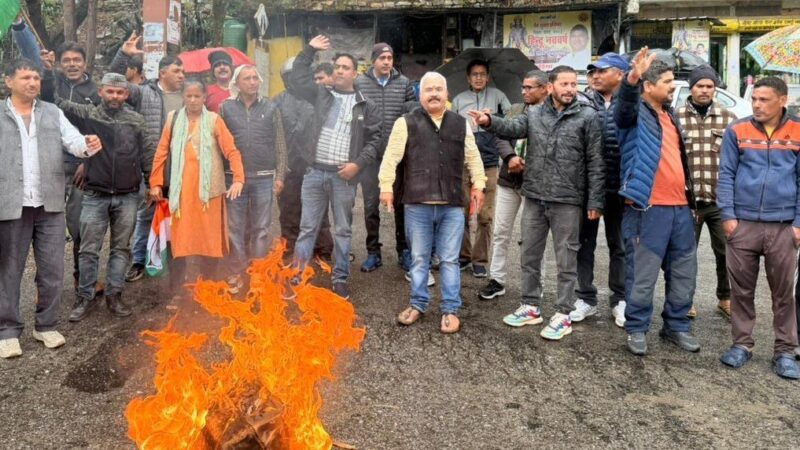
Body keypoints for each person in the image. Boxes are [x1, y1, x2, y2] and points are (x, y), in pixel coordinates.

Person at [471, 65, 604, 341]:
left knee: (566, 259)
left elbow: (596, 162)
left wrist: (595, 201)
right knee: (530, 255)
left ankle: (564, 312)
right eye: (564, 84)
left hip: (568, 199)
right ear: (552, 87)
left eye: (573, 84)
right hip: (534, 195)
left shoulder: (588, 116)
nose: (569, 89)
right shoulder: (533, 114)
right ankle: (531, 306)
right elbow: (512, 127)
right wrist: (489, 122)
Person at [0, 59, 102, 359]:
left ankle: (45, 325)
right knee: (9, 269)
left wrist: (88, 144)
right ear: (9, 81)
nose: (33, 83)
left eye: (36, 78)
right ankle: (7, 330)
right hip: (10, 203)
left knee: (52, 269)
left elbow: (73, 142)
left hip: (50, 203)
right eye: (25, 77)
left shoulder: (52, 112)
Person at [379, 72, 487, 334]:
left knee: (450, 260)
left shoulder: (460, 124)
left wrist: (479, 185)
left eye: (439, 89)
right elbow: (391, 158)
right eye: (429, 90)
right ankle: (417, 304)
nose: (435, 94)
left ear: (447, 94)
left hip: (451, 204)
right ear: (420, 95)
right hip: (417, 204)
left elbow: (473, 157)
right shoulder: (405, 123)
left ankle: (450, 309)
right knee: (418, 259)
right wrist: (386, 187)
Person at [614, 48, 699, 356]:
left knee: (684, 272)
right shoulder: (633, 114)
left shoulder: (670, 115)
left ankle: (676, 326)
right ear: (648, 86)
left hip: (679, 209)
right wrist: (632, 77)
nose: (673, 85)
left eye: (672, 79)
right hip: (647, 209)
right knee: (642, 274)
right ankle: (636, 329)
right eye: (666, 81)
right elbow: (622, 108)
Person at [717, 77, 800, 380]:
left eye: (764, 100)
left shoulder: (797, 130)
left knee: (783, 294)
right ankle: (742, 344)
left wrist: (798, 225)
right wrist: (729, 217)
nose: (757, 105)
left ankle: (785, 351)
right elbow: (725, 174)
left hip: (783, 227)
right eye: (754, 99)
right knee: (741, 290)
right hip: (743, 225)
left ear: (782, 100)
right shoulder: (737, 130)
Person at [287, 35, 381, 300]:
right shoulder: (321, 95)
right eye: (337, 67)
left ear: (355, 72)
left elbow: (375, 140)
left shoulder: (366, 105)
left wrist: (357, 165)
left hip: (344, 177)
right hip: (315, 172)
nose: (340, 70)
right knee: (308, 228)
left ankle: (340, 279)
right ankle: (299, 275)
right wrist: (309, 51)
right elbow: (298, 77)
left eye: (345, 67)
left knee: (342, 230)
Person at [53, 73, 149, 321]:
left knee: (121, 249)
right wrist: (49, 71)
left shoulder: (137, 120)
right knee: (88, 249)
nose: (115, 96)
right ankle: (84, 297)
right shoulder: (88, 115)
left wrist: (151, 184)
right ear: (101, 92)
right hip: (94, 193)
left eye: (120, 92)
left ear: (126, 94)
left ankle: (114, 296)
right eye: (110, 91)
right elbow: (58, 102)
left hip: (128, 196)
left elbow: (147, 154)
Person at [16, 29, 101, 295]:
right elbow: (47, 93)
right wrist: (20, 29)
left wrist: (87, 163)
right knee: (44, 226)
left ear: (85, 63)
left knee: (78, 225)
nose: (72, 64)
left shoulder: (95, 91)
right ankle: (44, 283)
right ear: (60, 63)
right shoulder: (50, 83)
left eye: (77, 59)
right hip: (48, 167)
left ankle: (80, 277)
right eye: (67, 60)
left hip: (80, 168)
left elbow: (99, 128)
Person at [148, 80, 245, 298]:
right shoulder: (173, 120)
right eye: (189, 96)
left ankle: (207, 290)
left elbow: (232, 151)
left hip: (208, 195)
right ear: (183, 97)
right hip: (180, 195)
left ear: (204, 98)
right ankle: (177, 292)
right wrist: (155, 183)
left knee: (208, 242)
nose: (192, 100)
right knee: (178, 243)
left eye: (197, 96)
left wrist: (238, 179)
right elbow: (161, 153)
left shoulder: (214, 120)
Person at [111, 33, 185, 283]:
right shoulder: (145, 93)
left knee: (177, 215)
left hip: (181, 168)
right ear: (162, 72)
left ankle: (175, 262)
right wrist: (123, 56)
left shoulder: (188, 98)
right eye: (177, 71)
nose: (181, 75)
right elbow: (114, 83)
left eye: (182, 72)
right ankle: (139, 262)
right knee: (145, 215)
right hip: (150, 166)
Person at [479, 70, 548, 300]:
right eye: (523, 87)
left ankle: (536, 284)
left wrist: (529, 164)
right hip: (509, 179)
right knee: (501, 232)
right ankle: (497, 279)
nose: (524, 91)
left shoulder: (552, 114)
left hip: (536, 183)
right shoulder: (516, 110)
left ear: (545, 89)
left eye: (530, 87)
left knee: (533, 237)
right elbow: (500, 135)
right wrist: (510, 157)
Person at [571, 53, 629, 326]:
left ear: (619, 73)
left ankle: (620, 300)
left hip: (621, 186)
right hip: (588, 185)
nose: (594, 76)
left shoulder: (631, 102)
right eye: (592, 71)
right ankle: (585, 298)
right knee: (584, 245)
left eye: (601, 71)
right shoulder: (581, 102)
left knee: (620, 246)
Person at [219, 65, 288, 293]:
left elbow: (280, 144)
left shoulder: (270, 107)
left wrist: (280, 176)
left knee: (261, 228)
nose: (252, 82)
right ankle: (237, 273)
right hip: (233, 179)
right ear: (237, 83)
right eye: (246, 78)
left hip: (263, 177)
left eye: (255, 78)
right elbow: (218, 145)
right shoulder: (226, 108)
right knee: (234, 228)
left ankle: (257, 275)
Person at [676, 66, 736, 320]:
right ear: (691, 88)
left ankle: (725, 298)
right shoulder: (675, 117)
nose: (704, 90)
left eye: (709, 86)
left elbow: (735, 161)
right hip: (686, 200)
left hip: (719, 201)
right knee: (684, 254)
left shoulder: (728, 118)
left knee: (726, 253)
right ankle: (685, 301)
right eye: (700, 86)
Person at [354, 42, 417, 273]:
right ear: (373, 61)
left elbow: (412, 112)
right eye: (382, 58)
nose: (387, 62)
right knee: (371, 206)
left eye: (390, 57)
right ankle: (373, 252)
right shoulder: (359, 83)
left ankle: (404, 250)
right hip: (370, 156)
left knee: (401, 205)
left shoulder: (403, 83)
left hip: (398, 156)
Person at [451, 59, 511, 278]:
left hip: (489, 163)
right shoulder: (458, 100)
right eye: (474, 74)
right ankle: (464, 256)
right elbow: (451, 127)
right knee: (462, 211)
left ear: (488, 76)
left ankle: (480, 260)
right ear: (468, 78)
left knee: (485, 215)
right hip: (464, 162)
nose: (478, 78)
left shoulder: (498, 96)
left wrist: (492, 118)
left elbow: (513, 119)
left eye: (482, 74)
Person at [275, 58, 334, 261]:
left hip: (314, 163)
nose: (294, 81)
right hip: (289, 164)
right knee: (289, 208)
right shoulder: (277, 102)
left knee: (319, 208)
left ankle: (322, 248)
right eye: (289, 77)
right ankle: (289, 246)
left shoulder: (317, 98)